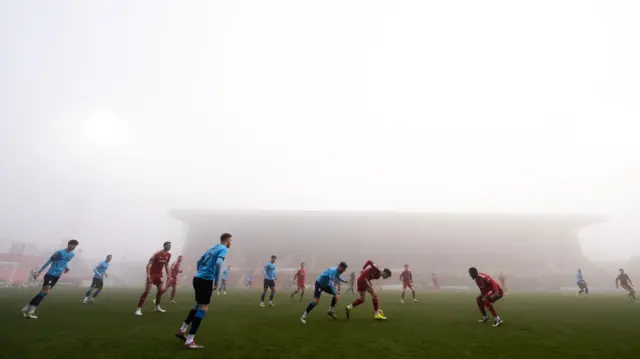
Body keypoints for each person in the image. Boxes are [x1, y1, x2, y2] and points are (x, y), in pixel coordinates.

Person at [175, 233, 232, 349]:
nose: (231, 242)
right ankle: (189, 340)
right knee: (203, 308)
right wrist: (216, 279)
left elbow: (198, 261)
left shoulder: (212, 247)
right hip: (205, 279)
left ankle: (182, 330)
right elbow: (218, 262)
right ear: (226, 240)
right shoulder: (223, 248)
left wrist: (200, 272)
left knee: (197, 305)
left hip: (198, 277)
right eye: (230, 240)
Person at [21, 239, 79, 319]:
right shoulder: (59, 253)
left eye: (75, 246)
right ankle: (31, 312)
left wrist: (66, 268)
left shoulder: (71, 255)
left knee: (43, 293)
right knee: (45, 291)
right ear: (68, 244)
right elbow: (49, 261)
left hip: (57, 276)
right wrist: (39, 272)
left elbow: (64, 262)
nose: (73, 247)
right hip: (50, 275)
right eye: (72, 245)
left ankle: (26, 308)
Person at [135, 242, 172, 315]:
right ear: (164, 246)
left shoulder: (168, 255)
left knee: (161, 290)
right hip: (152, 274)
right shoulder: (157, 254)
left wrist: (168, 274)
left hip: (159, 275)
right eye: (168, 245)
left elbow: (166, 265)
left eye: (170, 246)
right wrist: (148, 275)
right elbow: (148, 265)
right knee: (147, 291)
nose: (169, 247)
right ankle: (138, 309)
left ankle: (157, 307)